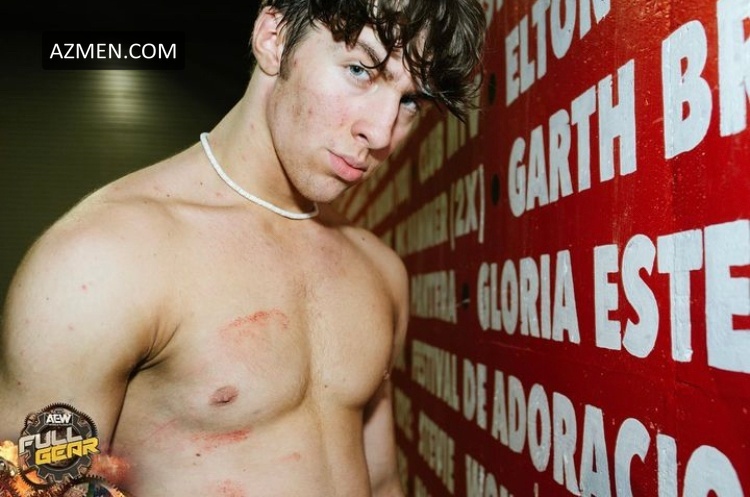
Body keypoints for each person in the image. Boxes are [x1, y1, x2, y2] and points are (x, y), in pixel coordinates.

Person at [0, 0, 486, 495]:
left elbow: (381, 482)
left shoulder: (380, 271)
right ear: (274, 38)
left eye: (411, 100)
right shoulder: (102, 259)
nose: (381, 133)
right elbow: (34, 487)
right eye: (360, 70)